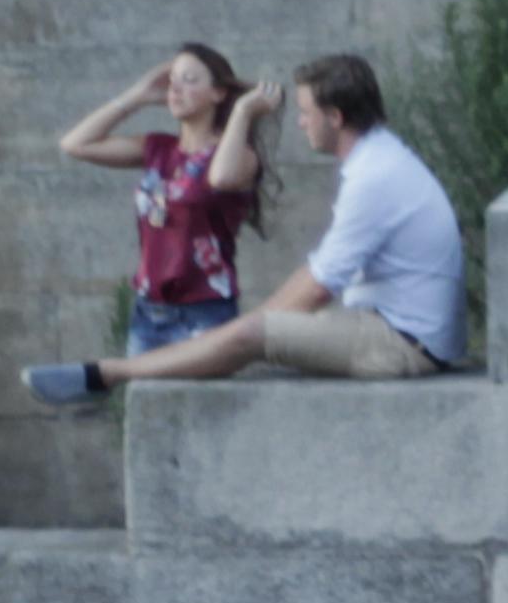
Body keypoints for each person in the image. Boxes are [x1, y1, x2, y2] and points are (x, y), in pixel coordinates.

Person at [24, 52, 460, 406]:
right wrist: (138, 96)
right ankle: (116, 373)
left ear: (336, 117)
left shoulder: (374, 177)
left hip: (404, 343)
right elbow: (315, 275)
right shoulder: (377, 162)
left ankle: (104, 374)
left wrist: (246, 333)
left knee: (253, 336)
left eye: (307, 113)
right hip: (393, 327)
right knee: (255, 334)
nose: (301, 122)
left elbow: (318, 286)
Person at [55, 43, 270, 359]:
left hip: (206, 311)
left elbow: (221, 177)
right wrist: (137, 96)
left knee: (201, 408)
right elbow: (75, 144)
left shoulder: (240, 157)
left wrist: (241, 113)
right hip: (149, 312)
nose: (176, 89)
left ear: (218, 93)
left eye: (190, 80)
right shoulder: (158, 148)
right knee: (144, 407)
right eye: (172, 82)